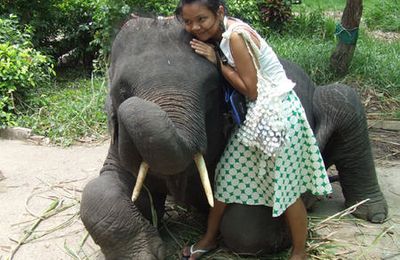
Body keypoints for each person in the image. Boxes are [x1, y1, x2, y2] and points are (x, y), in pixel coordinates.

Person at [175, 0, 333, 259]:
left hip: (278, 115)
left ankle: (300, 252)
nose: (194, 27)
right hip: (256, 117)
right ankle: (209, 239)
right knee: (226, 176)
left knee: (286, 187)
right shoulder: (222, 34)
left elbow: (251, 89)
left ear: (220, 12)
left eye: (201, 19)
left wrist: (217, 62)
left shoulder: (236, 37)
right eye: (188, 21)